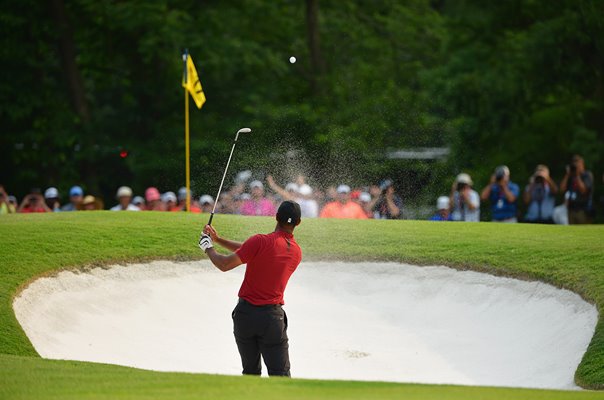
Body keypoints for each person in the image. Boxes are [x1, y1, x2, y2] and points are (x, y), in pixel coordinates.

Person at [198, 200, 302, 377]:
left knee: (251, 375)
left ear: (276, 217)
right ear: (298, 223)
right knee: (281, 376)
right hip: (272, 320)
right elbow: (252, 250)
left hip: (245, 317)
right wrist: (218, 240)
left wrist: (208, 247)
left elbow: (225, 264)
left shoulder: (259, 241)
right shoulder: (296, 252)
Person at [560, 155, 594, 224]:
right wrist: (567, 174)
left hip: (583, 210)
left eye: (578, 164)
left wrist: (577, 175)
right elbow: (562, 189)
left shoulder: (587, 175)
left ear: (582, 164)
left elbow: (583, 190)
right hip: (571, 209)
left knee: (584, 232)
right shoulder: (570, 176)